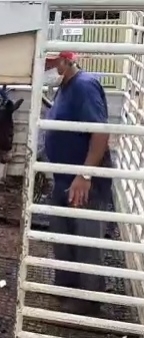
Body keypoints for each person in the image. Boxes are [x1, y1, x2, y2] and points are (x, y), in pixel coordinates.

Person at [43, 51, 112, 316]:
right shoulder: (64, 86)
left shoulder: (84, 85)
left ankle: (90, 302)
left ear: (66, 61)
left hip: (82, 178)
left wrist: (85, 175)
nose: (48, 68)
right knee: (63, 233)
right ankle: (67, 289)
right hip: (63, 176)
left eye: (50, 63)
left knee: (85, 236)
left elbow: (100, 132)